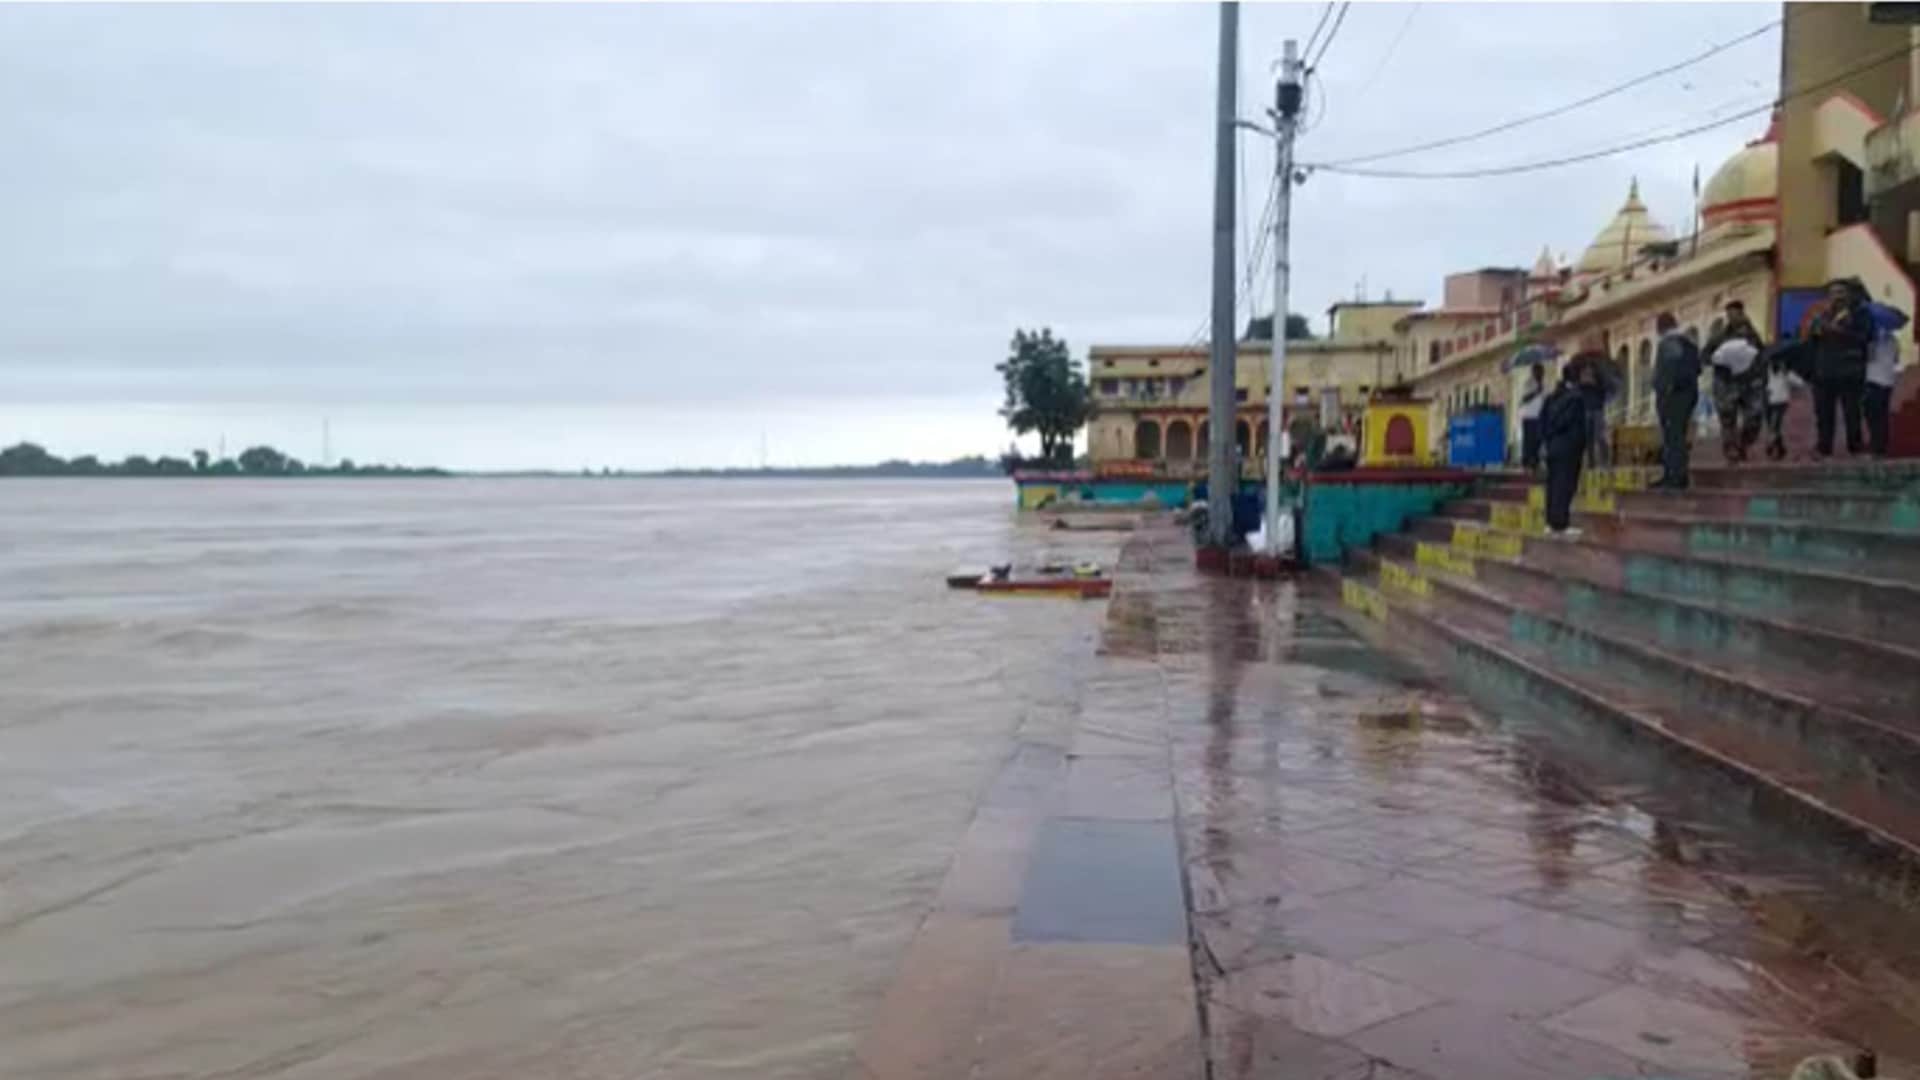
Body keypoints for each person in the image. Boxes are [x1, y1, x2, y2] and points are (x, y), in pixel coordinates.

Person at [1807, 279, 1871, 457]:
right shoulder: (1820, 317)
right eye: (1834, 293)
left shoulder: (1860, 315)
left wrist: (1839, 331)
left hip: (1850, 372)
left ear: (1849, 295)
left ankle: (1855, 447)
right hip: (1823, 373)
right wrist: (1816, 331)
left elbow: (1864, 339)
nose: (1838, 297)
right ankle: (1824, 448)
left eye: (1842, 292)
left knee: (1852, 413)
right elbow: (1810, 342)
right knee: (1824, 415)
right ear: (1829, 297)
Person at [1704, 300, 1767, 463]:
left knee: (1755, 417)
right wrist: (1718, 360)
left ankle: (1743, 443)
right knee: (1727, 419)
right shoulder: (1720, 336)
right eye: (1729, 314)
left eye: (1735, 314)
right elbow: (1704, 355)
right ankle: (1731, 450)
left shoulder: (1752, 335)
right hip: (1726, 383)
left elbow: (1762, 356)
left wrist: (1761, 376)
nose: (1732, 318)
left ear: (1742, 314)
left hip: (1749, 383)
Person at [1652, 310, 1702, 489]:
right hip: (1688, 395)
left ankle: (1674, 476)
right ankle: (1675, 474)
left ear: (1660, 327)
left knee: (1672, 436)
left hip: (1673, 397)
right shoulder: (1689, 342)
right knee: (1678, 435)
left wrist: (1665, 390)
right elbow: (1698, 368)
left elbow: (1668, 371)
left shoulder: (1668, 343)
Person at [1540, 361, 1591, 537]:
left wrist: (1547, 439)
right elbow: (1574, 424)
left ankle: (1550, 521)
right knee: (1565, 485)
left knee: (1553, 485)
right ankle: (1560, 523)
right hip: (1568, 448)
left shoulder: (1552, 396)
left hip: (1553, 446)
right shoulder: (1576, 398)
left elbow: (1543, 422)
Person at [1861, 285, 1909, 458]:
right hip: (1888, 380)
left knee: (1872, 415)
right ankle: (1880, 447)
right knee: (1881, 415)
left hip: (1873, 379)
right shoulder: (1893, 340)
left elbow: (1869, 358)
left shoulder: (1873, 340)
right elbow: (1896, 360)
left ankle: (1876, 447)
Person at [1764, 350, 1798, 461]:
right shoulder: (1765, 371)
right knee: (1773, 427)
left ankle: (1771, 446)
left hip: (1780, 402)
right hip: (1767, 401)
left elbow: (1799, 383)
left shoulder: (1786, 373)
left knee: (1774, 426)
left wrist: (1787, 374)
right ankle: (1780, 448)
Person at [1518, 362, 1547, 472]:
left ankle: (1535, 461)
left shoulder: (1543, 384)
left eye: (1542, 372)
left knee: (1537, 440)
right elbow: (1525, 398)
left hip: (1539, 415)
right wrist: (1536, 392)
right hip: (1529, 415)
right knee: (1528, 440)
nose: (1541, 374)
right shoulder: (1529, 383)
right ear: (1534, 372)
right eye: (1538, 372)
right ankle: (1526, 462)